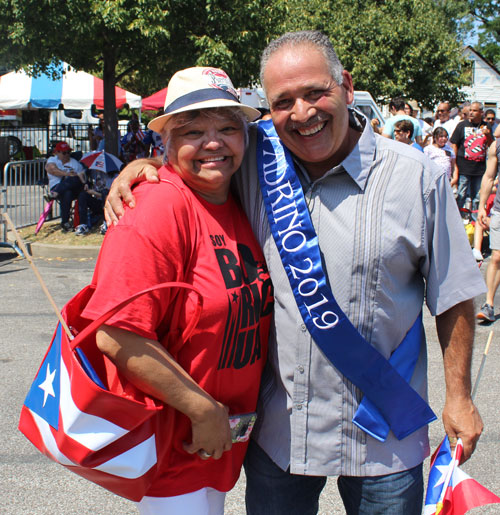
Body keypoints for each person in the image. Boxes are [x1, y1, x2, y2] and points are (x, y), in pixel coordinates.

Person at [105, 31, 485, 515]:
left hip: (384, 431)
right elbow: (197, 157)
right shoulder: (253, 163)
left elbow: (454, 294)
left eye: (315, 92)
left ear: (346, 86)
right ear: (268, 109)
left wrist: (460, 396)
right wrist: (141, 167)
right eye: (283, 102)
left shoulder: (417, 177)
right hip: (282, 432)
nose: (303, 113)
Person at [82, 66, 273, 514]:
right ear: (164, 142)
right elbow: (116, 333)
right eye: (192, 130)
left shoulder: (238, 195)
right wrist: (203, 410)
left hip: (218, 443)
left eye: (228, 128)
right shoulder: (157, 205)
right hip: (176, 447)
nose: (213, 142)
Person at [450, 101, 493, 213]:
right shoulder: (462, 125)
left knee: (477, 196)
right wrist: (453, 164)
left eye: (474, 110)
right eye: (470, 110)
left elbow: (491, 145)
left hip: (479, 168)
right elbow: (454, 144)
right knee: (461, 194)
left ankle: (474, 220)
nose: (471, 113)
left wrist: (488, 134)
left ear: (481, 112)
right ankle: (457, 217)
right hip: (463, 166)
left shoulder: (485, 126)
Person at [476, 136, 500, 322]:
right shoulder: (497, 145)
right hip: (499, 208)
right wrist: (483, 205)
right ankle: (489, 304)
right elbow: (489, 176)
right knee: (497, 256)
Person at [45, 141, 86, 232]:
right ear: (57, 152)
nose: (67, 155)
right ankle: (65, 222)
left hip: (72, 187)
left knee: (73, 180)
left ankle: (54, 194)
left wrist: (74, 175)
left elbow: (82, 176)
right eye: (64, 153)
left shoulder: (74, 163)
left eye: (68, 152)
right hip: (57, 186)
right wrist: (67, 174)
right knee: (67, 193)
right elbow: (52, 170)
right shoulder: (52, 160)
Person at [74, 170, 116, 236]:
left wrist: (94, 193)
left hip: (108, 203)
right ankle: (83, 225)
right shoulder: (92, 173)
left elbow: (110, 195)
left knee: (104, 192)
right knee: (83, 195)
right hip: (97, 203)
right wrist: (86, 183)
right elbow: (81, 173)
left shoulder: (113, 176)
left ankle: (106, 223)